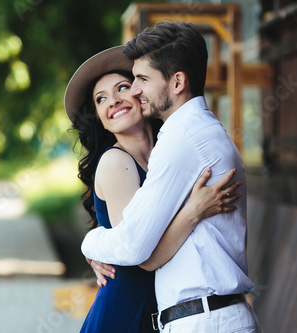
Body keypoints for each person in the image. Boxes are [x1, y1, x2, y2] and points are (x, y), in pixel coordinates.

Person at [80, 21, 261, 332]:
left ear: (177, 82)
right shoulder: (192, 135)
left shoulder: (181, 141)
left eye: (138, 81)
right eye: (101, 99)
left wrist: (92, 241)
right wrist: (191, 212)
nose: (134, 91)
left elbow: (136, 247)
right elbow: (138, 249)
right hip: (172, 314)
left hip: (205, 318)